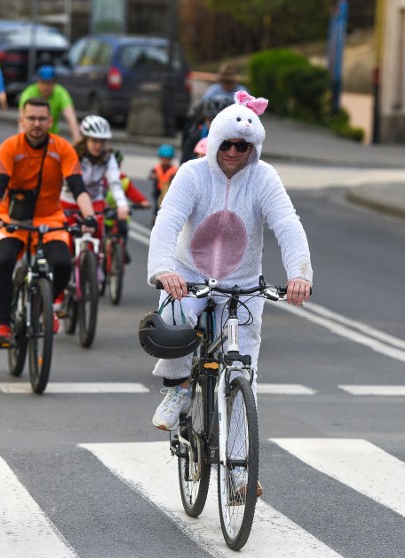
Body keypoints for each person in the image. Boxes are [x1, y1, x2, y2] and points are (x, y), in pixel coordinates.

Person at [143, 91, 313, 468]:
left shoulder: (265, 178)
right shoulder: (191, 174)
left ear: (255, 148)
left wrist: (300, 273)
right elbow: (168, 220)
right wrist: (163, 269)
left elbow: (287, 224)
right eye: (228, 144)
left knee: (243, 374)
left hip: (242, 284)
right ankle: (178, 389)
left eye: (244, 146)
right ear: (215, 140)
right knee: (173, 322)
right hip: (188, 276)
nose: (234, 152)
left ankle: (238, 472)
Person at [0, 97, 96, 347]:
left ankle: (45, 306)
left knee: (63, 264)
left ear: (50, 121)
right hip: (10, 218)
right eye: (31, 118)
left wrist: (89, 217)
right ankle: (3, 325)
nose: (36, 123)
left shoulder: (63, 148)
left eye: (41, 119)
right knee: (4, 261)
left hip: (49, 218)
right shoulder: (10, 147)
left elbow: (77, 187)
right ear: (21, 120)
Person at [60, 115, 129, 306]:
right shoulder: (73, 155)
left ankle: (94, 263)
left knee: (99, 230)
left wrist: (122, 204)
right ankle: (64, 276)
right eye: (93, 140)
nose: (98, 145)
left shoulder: (108, 158)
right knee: (64, 241)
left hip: (95, 202)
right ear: (85, 139)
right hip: (69, 202)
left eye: (101, 141)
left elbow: (115, 182)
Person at [104, 149, 150, 264]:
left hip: (120, 216)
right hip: (103, 216)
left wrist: (143, 202)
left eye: (117, 164)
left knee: (123, 229)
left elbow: (134, 193)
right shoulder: (99, 178)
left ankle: (121, 249)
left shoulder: (123, 180)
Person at [18, 65, 80, 141]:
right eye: (43, 83)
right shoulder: (28, 93)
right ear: (38, 82)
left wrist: (78, 142)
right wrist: (21, 142)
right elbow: (22, 120)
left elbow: (71, 119)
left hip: (52, 138)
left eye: (49, 83)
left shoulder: (61, 93)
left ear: (55, 83)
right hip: (32, 137)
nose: (46, 87)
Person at [180, 94, 234, 165]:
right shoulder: (194, 138)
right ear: (205, 119)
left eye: (220, 121)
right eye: (211, 120)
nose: (214, 125)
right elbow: (183, 166)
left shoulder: (237, 140)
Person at [148, 144, 177, 221]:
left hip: (168, 190)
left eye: (167, 159)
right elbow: (150, 174)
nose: (165, 161)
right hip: (158, 190)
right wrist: (153, 176)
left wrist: (173, 178)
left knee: (167, 204)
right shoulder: (157, 167)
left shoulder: (174, 169)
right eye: (164, 159)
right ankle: (155, 216)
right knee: (157, 203)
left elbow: (177, 177)